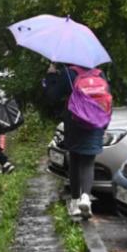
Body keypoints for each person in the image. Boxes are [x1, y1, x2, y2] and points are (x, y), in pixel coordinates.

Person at [45, 63, 107, 219]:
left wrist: (51, 76)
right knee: (88, 162)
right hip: (96, 122)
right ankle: (86, 197)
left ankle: (75, 202)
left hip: (75, 121)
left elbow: (52, 96)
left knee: (74, 159)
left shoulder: (68, 74)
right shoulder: (99, 74)